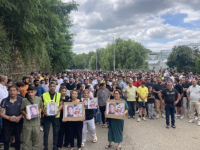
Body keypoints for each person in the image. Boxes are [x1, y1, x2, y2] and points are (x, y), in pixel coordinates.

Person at [0, 86, 23, 150]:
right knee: (6, 138)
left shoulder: (21, 99)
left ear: (17, 91)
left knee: (18, 138)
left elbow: (25, 111)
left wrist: (19, 117)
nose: (12, 92)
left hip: (18, 121)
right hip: (7, 121)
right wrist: (8, 117)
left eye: (14, 90)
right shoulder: (4, 100)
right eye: (11, 90)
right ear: (8, 91)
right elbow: (1, 112)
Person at [42, 81, 62, 150]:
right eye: (51, 86)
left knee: (55, 132)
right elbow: (41, 105)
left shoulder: (59, 95)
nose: (52, 87)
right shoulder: (44, 95)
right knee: (46, 132)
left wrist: (58, 111)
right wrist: (44, 112)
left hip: (56, 116)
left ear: (55, 87)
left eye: (53, 86)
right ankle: (45, 147)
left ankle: (55, 146)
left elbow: (61, 105)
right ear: (49, 87)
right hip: (46, 116)